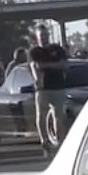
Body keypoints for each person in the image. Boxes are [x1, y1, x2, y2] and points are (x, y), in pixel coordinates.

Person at [27, 25, 69, 155]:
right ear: (37, 37)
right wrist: (53, 66)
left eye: (45, 35)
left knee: (59, 116)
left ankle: (60, 142)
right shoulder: (34, 52)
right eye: (41, 36)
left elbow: (64, 65)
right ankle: (44, 142)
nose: (44, 38)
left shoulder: (57, 49)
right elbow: (35, 66)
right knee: (41, 115)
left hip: (57, 86)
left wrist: (46, 65)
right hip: (42, 88)